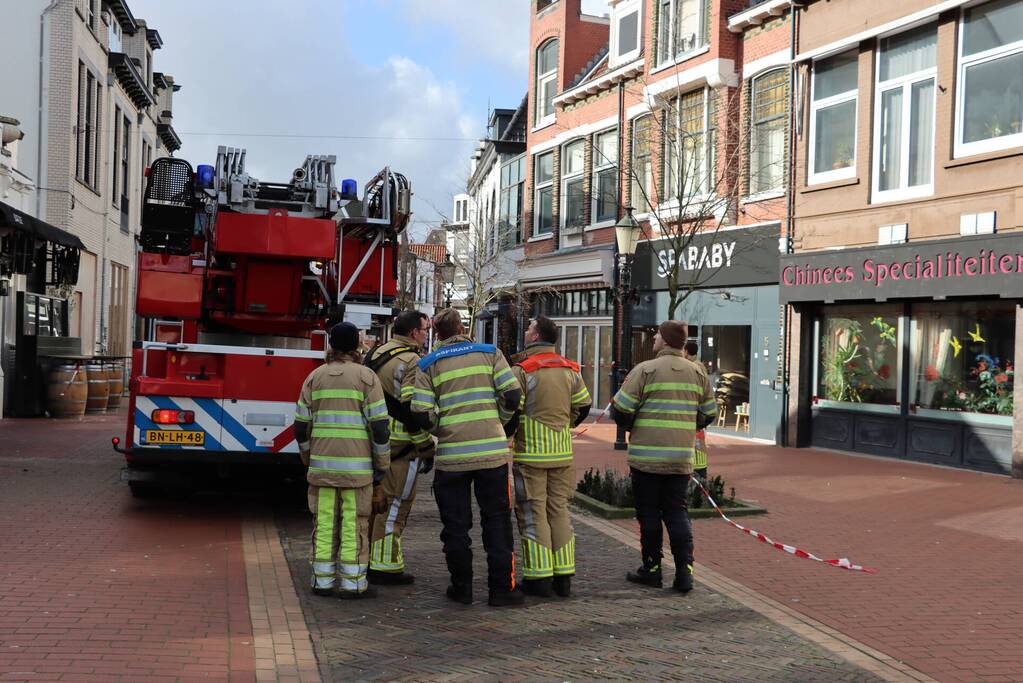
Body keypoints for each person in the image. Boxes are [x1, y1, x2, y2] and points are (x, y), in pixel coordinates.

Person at [407, 308, 524, 607]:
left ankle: (462, 589)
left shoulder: (428, 364)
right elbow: (512, 395)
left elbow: (420, 412)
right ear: (461, 327)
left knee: (456, 526)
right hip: (492, 455)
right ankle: (501, 590)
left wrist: (441, 428)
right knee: (497, 522)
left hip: (452, 457)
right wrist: (498, 420)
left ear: (438, 332)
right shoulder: (490, 353)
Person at [611, 320, 716, 594]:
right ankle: (684, 573)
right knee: (677, 512)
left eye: (657, 335)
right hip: (681, 458)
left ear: (666, 340)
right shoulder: (698, 373)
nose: (654, 338)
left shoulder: (645, 370)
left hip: (647, 457)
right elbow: (709, 413)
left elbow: (620, 409)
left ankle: (652, 570)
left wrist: (633, 426)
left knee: (648, 513)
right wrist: (688, 427)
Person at [294, 322, 391, 599]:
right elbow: (380, 427)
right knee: (354, 523)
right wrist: (381, 465)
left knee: (323, 523)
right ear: (357, 347)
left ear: (332, 346)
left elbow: (301, 426)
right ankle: (353, 583)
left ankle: (322, 580)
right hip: (357, 472)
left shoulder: (314, 377)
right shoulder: (366, 377)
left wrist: (308, 457)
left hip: (322, 469)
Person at [509, 316, 591, 598]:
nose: (527, 331)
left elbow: (510, 408)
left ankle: (538, 578)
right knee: (559, 511)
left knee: (533, 513)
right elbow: (584, 405)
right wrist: (565, 425)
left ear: (535, 336)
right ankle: (563, 577)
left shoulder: (523, 370)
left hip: (531, 454)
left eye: (529, 328)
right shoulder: (570, 368)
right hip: (562, 453)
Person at [363, 311, 436, 586]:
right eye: (425, 329)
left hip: (373, 442)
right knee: (395, 506)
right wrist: (426, 447)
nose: (427, 334)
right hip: (402, 447)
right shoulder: (413, 361)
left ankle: (367, 557)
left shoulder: (375, 354)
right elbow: (411, 411)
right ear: (415, 333)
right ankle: (385, 565)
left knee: (374, 505)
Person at [683, 340, 709, 479]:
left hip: (693, 413)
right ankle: (699, 471)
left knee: (695, 443)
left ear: (686, 351)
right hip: (699, 412)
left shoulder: (691, 368)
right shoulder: (701, 366)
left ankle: (697, 473)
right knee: (699, 443)